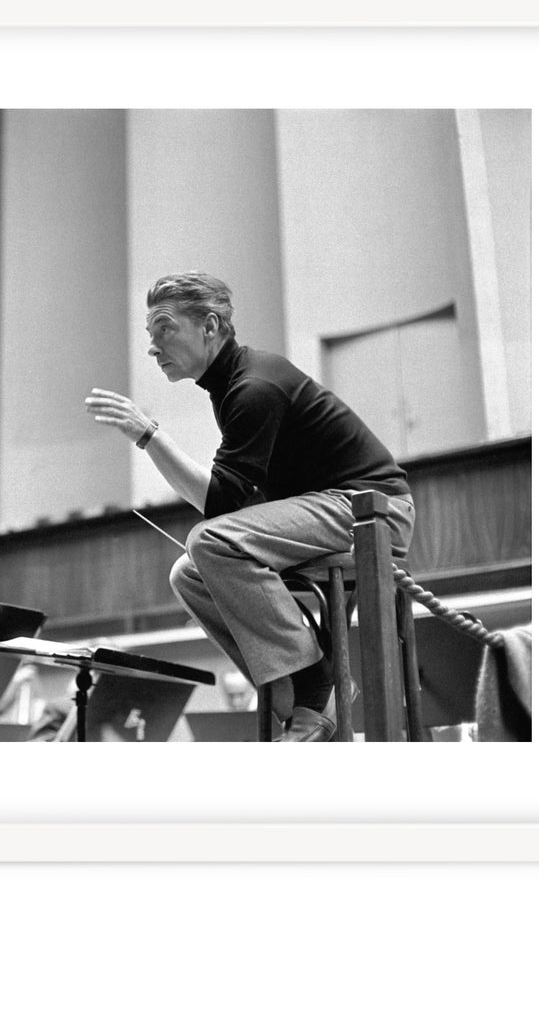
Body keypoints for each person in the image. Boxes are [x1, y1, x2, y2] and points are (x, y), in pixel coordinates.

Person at [86, 272, 414, 742]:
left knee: (208, 541)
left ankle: (316, 690)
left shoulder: (254, 387)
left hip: (372, 510)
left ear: (210, 325)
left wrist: (149, 436)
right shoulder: (231, 388)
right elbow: (229, 501)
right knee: (188, 573)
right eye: (150, 335)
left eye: (164, 329)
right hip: (328, 509)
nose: (153, 347)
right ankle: (298, 707)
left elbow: (219, 507)